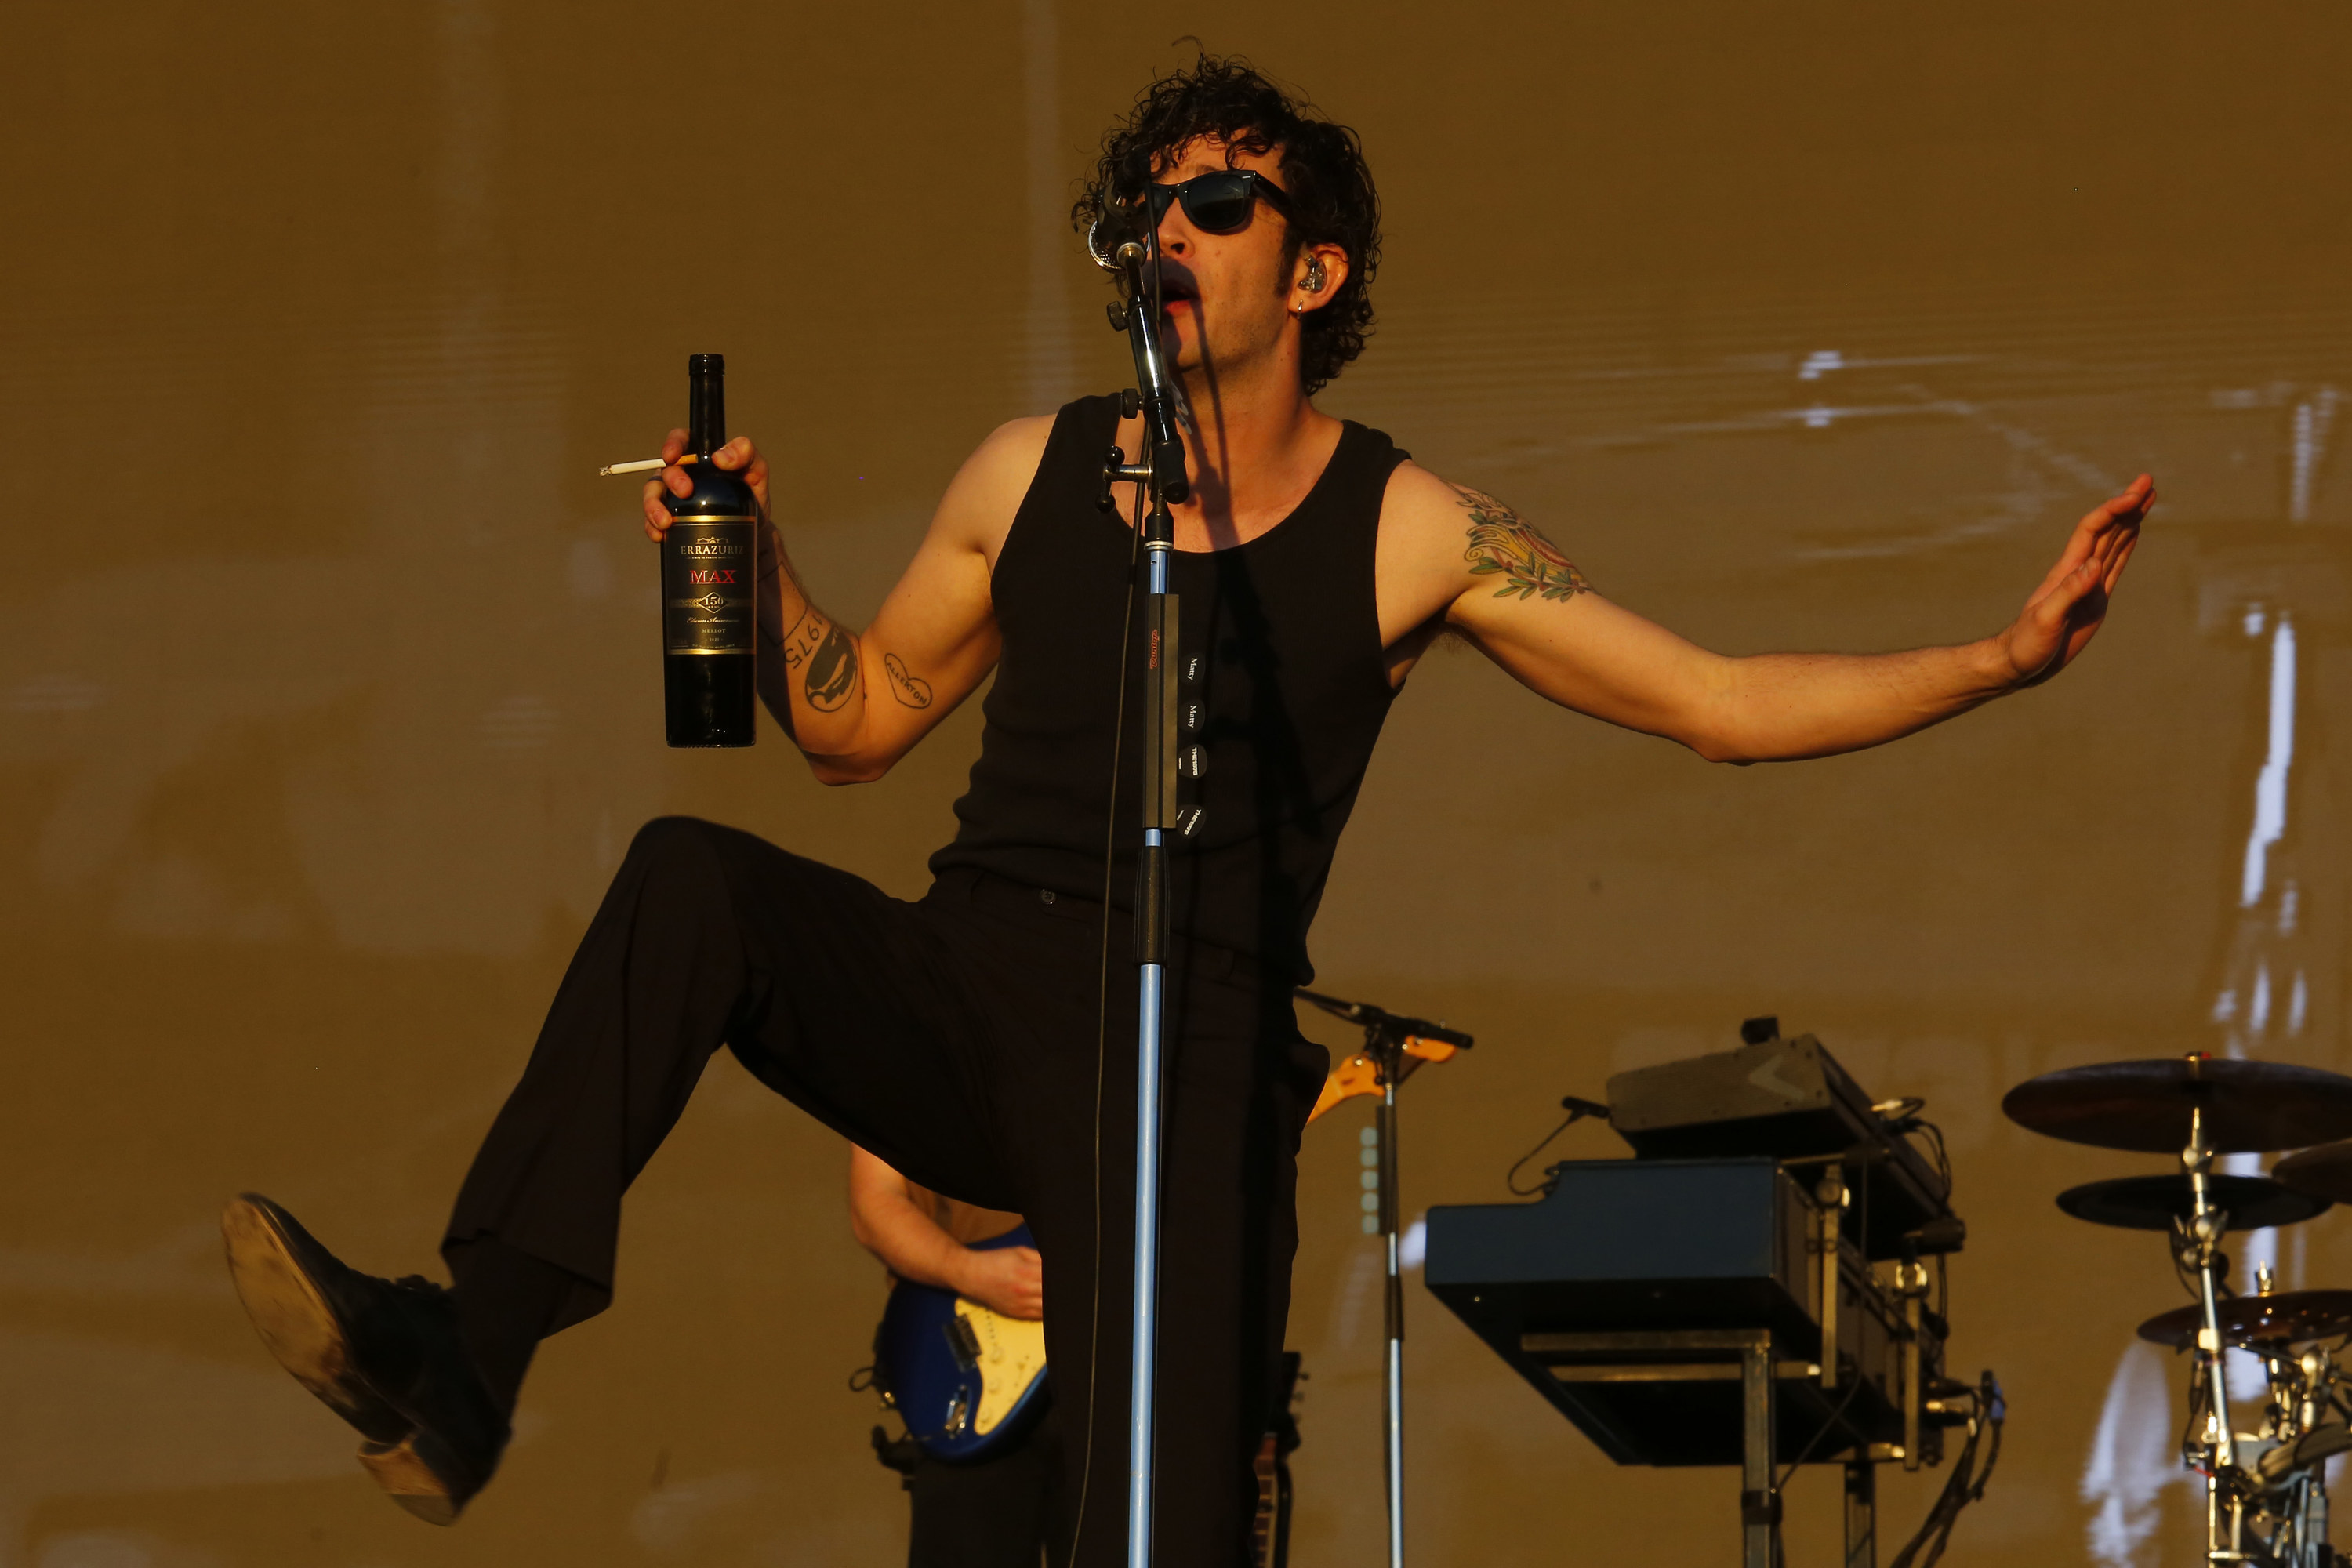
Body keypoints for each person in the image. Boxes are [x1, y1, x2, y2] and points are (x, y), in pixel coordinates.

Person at [219, 55, 2151, 1566]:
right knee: (687, 881)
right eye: (1144, 204)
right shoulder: (1029, 467)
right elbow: (851, 723)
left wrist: (1996, 655)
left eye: (1216, 203)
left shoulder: (1407, 526)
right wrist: (757, 561)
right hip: (977, 985)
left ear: (1309, 269)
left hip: (1194, 1043)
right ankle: (466, 1354)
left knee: (1155, 1513)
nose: (1169, 228)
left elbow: (1717, 702)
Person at [848, 1145, 1066, 1568]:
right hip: (977, 1363)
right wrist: (968, 1271)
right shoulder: (914, 1079)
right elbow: (874, 1200)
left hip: (1137, 1379)